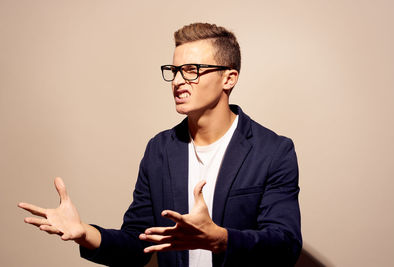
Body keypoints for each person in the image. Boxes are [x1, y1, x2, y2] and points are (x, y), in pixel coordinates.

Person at [18, 22, 302, 267]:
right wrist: (84, 233)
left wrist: (221, 239)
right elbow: (137, 245)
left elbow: (285, 246)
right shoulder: (160, 149)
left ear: (229, 78)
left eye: (192, 70)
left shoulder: (273, 151)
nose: (178, 81)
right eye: (174, 70)